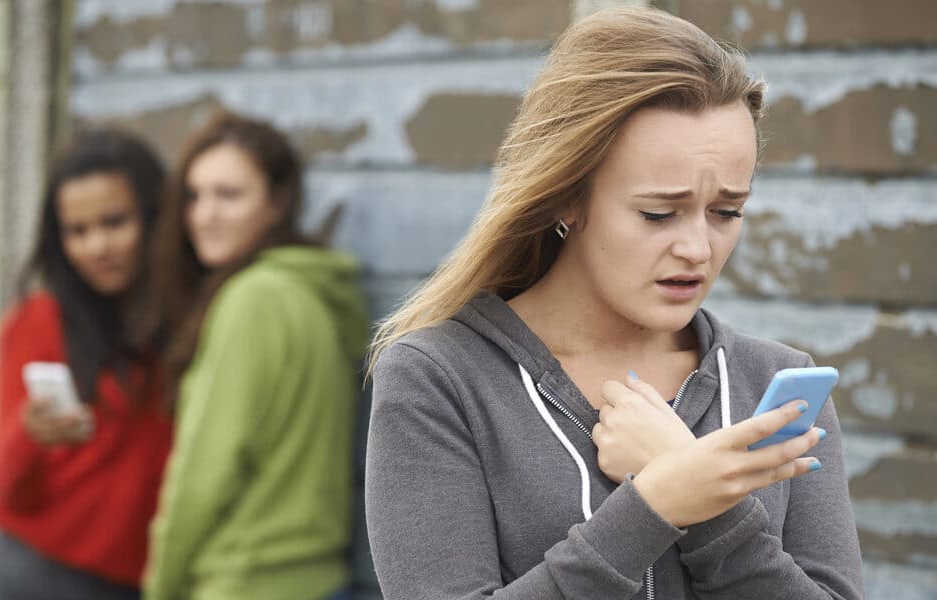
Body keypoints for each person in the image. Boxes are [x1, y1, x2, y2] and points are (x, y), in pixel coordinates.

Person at [365, 7, 864, 600]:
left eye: (727, 211)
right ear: (565, 197)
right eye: (658, 213)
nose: (698, 248)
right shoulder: (439, 380)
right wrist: (655, 505)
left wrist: (712, 511)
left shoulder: (778, 386)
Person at [143, 112, 368, 600]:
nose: (204, 214)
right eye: (194, 195)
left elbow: (203, 474)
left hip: (246, 581)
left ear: (277, 202)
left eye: (229, 194)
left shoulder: (252, 300)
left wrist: (159, 587)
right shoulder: (315, 291)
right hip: (320, 581)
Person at [0, 130, 172, 599]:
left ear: (155, 217)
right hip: (36, 573)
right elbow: (5, 485)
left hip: (144, 582)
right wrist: (29, 434)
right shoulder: (35, 321)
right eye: (77, 231)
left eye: (114, 222)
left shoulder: (184, 321)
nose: (97, 246)